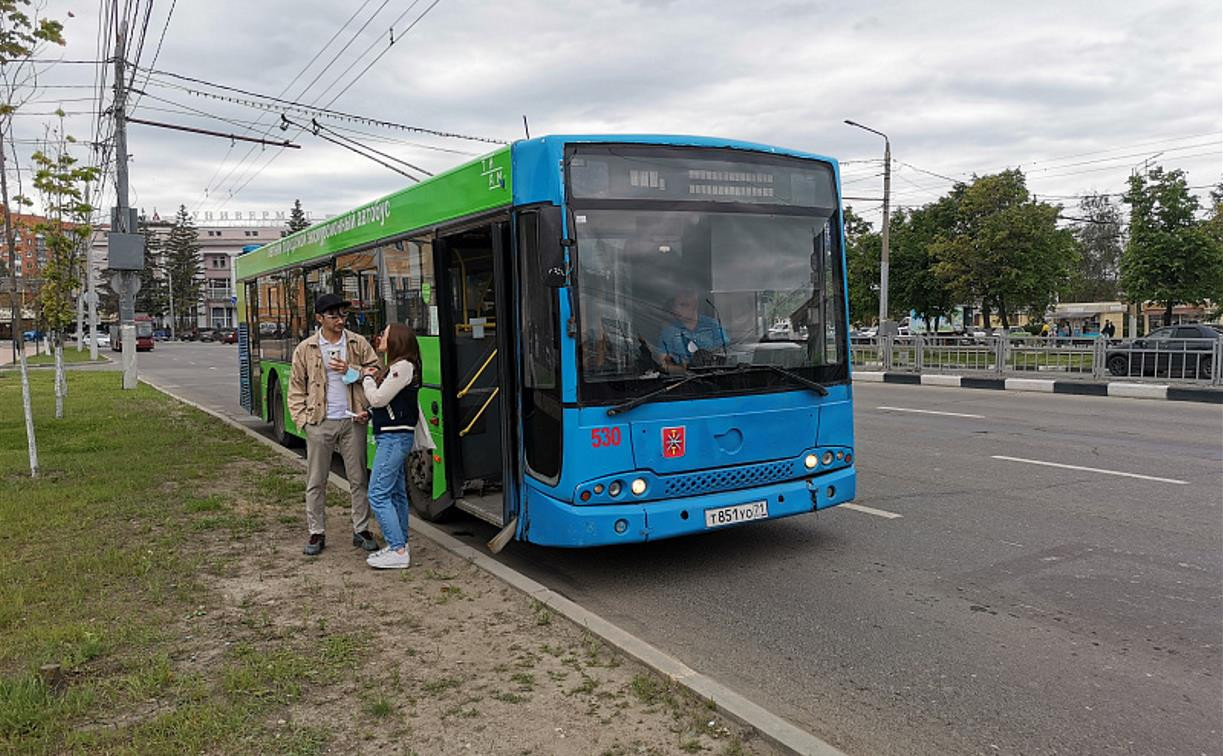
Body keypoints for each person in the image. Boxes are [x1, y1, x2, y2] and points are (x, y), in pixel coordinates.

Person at [288, 292, 382, 556]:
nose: (340, 320)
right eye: (333, 316)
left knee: (358, 478)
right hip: (320, 422)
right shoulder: (306, 349)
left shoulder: (357, 343)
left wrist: (352, 370)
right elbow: (296, 388)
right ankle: (316, 532)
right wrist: (304, 422)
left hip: (354, 421)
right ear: (320, 318)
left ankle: (361, 530)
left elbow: (376, 370)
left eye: (343, 315)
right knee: (316, 480)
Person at [360, 323, 435, 569]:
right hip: (394, 437)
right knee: (396, 493)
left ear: (397, 341)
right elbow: (393, 404)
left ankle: (398, 549)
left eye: (385, 334)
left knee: (377, 493)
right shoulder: (399, 367)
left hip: (393, 439)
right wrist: (370, 415)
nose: (380, 337)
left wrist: (367, 378)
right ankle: (400, 543)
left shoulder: (402, 367)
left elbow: (379, 398)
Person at [657, 286, 727, 372]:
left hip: (714, 378)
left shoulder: (712, 325)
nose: (677, 310)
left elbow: (726, 353)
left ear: (695, 305)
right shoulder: (668, 332)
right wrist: (685, 369)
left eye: (683, 305)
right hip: (683, 381)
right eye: (676, 305)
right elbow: (662, 364)